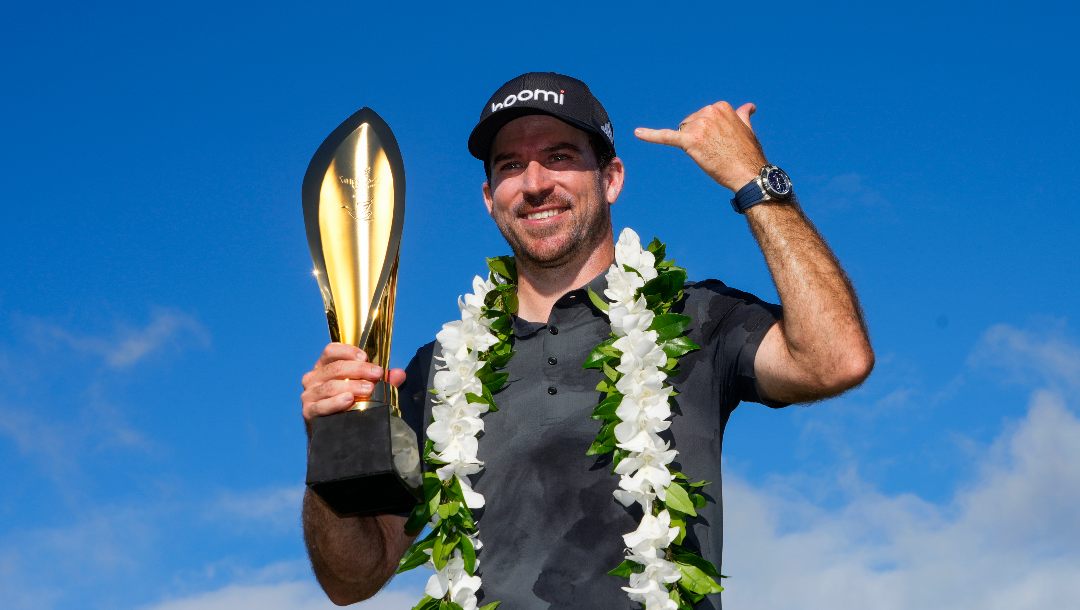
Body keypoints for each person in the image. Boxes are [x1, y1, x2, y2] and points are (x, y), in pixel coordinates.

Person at [300, 72, 874, 608]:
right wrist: (329, 443)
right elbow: (352, 577)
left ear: (611, 178)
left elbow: (835, 359)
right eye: (510, 165)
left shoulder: (692, 315)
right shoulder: (441, 367)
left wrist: (756, 181)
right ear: (488, 197)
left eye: (559, 157)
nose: (534, 183)